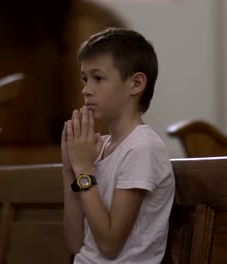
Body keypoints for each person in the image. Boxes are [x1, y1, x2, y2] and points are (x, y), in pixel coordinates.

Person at [61, 27, 175, 263]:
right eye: (84, 79)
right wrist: (69, 169)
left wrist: (83, 170)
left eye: (98, 78)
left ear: (135, 84)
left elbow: (110, 245)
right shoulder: (98, 148)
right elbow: (75, 243)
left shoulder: (143, 148)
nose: (86, 90)